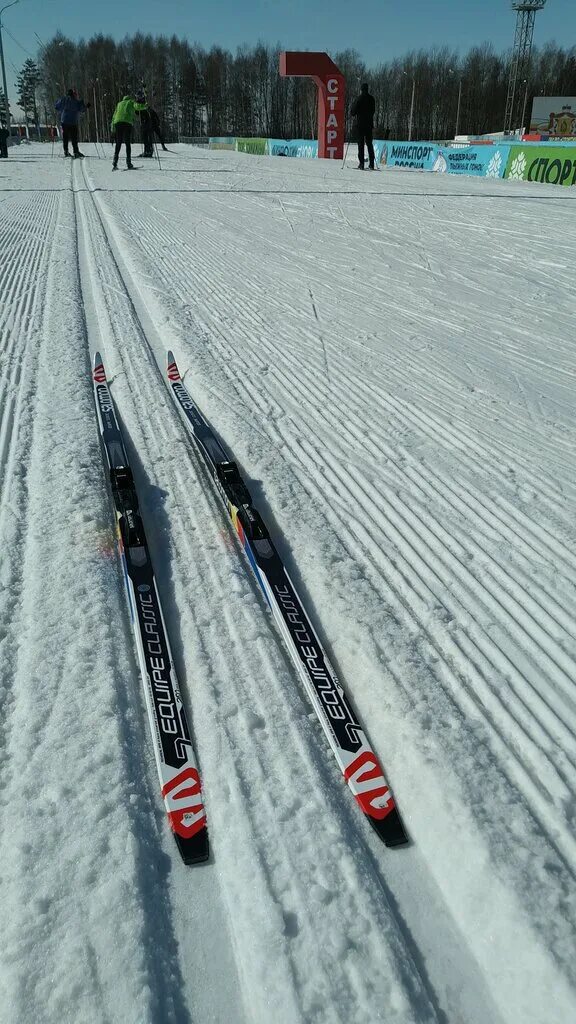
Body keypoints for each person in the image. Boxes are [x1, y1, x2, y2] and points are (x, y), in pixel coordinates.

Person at [111, 92, 148, 170]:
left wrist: (112, 128)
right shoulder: (131, 102)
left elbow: (114, 116)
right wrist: (145, 106)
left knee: (118, 142)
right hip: (127, 123)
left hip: (118, 122)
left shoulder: (119, 104)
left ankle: (115, 161)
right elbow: (137, 106)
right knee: (127, 143)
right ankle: (128, 163)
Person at [55, 89, 90, 158]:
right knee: (74, 138)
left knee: (65, 137)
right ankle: (76, 151)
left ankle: (66, 151)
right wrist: (87, 106)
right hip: (73, 122)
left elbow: (57, 106)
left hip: (64, 121)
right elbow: (82, 109)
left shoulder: (63, 99)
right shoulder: (76, 102)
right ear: (73, 94)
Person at [351, 83, 375, 170]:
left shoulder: (359, 99)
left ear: (361, 89)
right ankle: (372, 163)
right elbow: (373, 111)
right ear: (367, 89)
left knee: (360, 144)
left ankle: (361, 164)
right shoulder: (372, 99)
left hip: (360, 125)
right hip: (369, 124)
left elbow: (353, 112)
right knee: (369, 144)